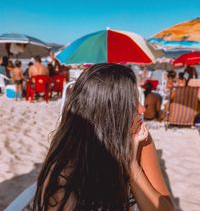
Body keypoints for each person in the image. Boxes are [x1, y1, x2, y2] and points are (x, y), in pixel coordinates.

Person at [33, 63, 174, 211]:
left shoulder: (139, 137)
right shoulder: (69, 155)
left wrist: (132, 167)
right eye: (131, 102)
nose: (142, 108)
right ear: (110, 111)